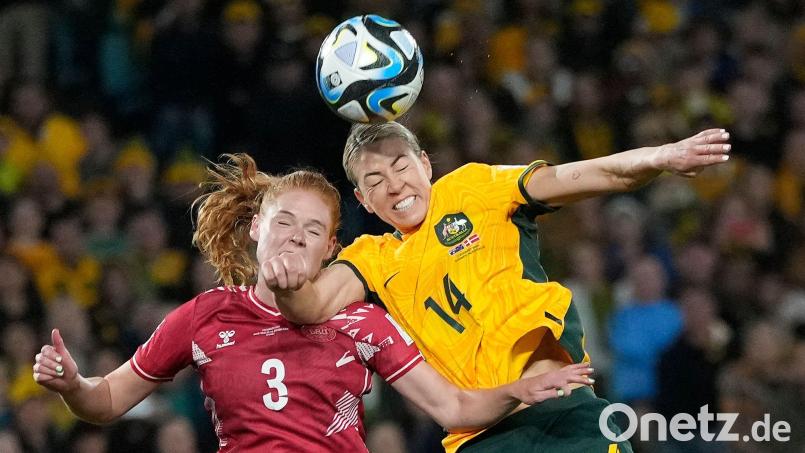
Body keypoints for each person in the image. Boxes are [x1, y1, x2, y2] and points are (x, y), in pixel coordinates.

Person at [32, 154, 593, 452]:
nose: (297, 236)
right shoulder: (206, 315)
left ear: (332, 247)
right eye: (284, 222)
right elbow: (105, 402)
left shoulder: (362, 320)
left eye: (314, 229)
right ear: (256, 229)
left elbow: (454, 411)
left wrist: (516, 391)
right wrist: (72, 386)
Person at [262, 122, 732, 452]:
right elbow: (313, 303)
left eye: (401, 165)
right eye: (375, 180)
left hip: (565, 417)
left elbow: (582, 175)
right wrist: (286, 285)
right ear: (363, 199)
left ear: (425, 163)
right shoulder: (371, 257)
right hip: (481, 441)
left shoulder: (474, 188)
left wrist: (659, 157)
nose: (395, 185)